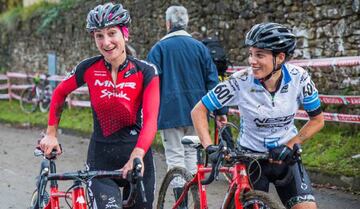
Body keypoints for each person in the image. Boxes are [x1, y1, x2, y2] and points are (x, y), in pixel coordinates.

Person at [191, 22, 324, 209]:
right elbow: (199, 110)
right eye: (251, 54)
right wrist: (209, 147)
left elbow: (317, 120)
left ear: (280, 57)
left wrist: (290, 144)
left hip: (285, 157)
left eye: (259, 55)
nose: (252, 61)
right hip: (251, 159)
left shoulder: (299, 78)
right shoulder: (240, 81)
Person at [39, 3, 159, 209]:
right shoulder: (89, 68)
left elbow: (150, 119)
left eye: (112, 33)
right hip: (101, 159)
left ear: (125, 34)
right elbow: (59, 93)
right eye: (99, 36)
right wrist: (51, 133)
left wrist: (137, 154)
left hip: (138, 157)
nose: (106, 42)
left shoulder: (145, 71)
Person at [146, 5, 226, 206]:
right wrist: (220, 111)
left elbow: (150, 84)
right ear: (186, 23)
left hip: (169, 112)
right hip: (197, 111)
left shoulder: (158, 49)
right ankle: (196, 200)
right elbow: (212, 80)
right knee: (192, 155)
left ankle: (180, 204)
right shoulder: (200, 47)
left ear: (168, 23)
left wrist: (148, 114)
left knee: (175, 156)